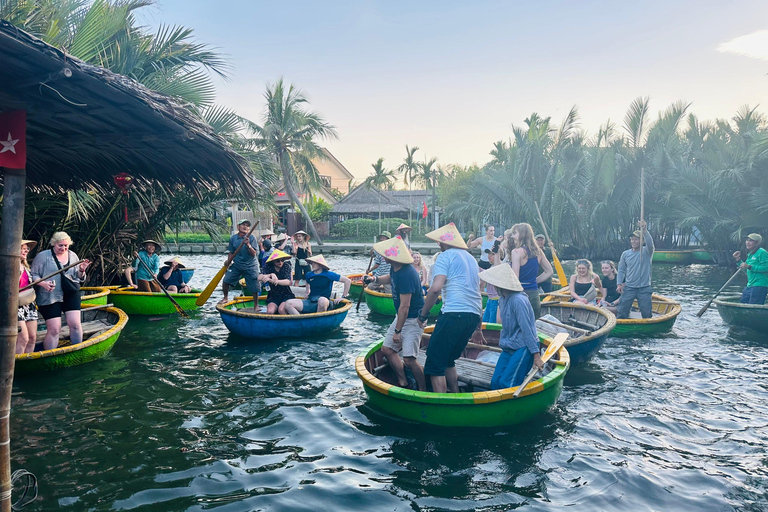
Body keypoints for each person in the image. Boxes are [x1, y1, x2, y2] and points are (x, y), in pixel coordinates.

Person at [418, 223, 483, 393]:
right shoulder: (471, 259)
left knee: (434, 362)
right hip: (473, 315)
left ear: (441, 244)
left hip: (455, 314)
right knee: (448, 360)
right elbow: (477, 292)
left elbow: (435, 288)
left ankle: (441, 404)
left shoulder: (445, 257)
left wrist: (423, 315)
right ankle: (455, 395)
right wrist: (479, 328)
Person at [364, 236, 426, 391]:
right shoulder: (395, 267)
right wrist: (375, 278)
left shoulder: (407, 274)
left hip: (413, 319)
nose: (383, 257)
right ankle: (403, 381)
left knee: (409, 360)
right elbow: (390, 278)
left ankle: (423, 389)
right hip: (402, 317)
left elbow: (405, 307)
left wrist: (398, 331)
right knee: (387, 350)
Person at [476, 264, 544, 390]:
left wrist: (536, 355)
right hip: (508, 345)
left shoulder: (518, 300)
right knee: (495, 382)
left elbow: (527, 329)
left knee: (507, 384)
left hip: (523, 347)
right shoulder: (502, 299)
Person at [31, 232, 91, 350]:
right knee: (54, 329)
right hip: (49, 295)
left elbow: (78, 277)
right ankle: (49, 353)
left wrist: (82, 270)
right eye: (60, 245)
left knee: (75, 324)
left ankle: (77, 350)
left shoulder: (73, 255)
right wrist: (43, 283)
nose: (63, 248)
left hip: (70, 293)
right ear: (54, 244)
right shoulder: (43, 256)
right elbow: (33, 274)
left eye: (66, 245)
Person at [507, 223, 553, 318]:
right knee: (533, 325)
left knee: (517, 327)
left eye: (515, 233)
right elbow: (549, 271)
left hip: (520, 294)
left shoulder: (516, 252)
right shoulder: (538, 251)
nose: (512, 236)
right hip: (534, 294)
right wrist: (534, 281)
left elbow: (515, 278)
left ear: (522, 235)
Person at [284, 255, 351, 314]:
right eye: (312, 263)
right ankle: (301, 321)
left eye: (315, 263)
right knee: (288, 304)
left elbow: (347, 281)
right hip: (311, 301)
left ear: (320, 264)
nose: (313, 265)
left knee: (322, 300)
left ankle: (318, 320)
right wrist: (307, 292)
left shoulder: (329, 274)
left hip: (325, 302)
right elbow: (307, 282)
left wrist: (343, 297)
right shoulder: (309, 275)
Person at [616, 221, 654, 319]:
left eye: (636, 239)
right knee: (622, 312)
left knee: (646, 314)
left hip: (644, 288)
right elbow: (621, 270)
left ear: (642, 241)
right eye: (632, 239)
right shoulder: (625, 254)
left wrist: (645, 231)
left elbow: (650, 243)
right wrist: (619, 283)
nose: (633, 241)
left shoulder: (646, 252)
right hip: (629, 287)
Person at [219, 219, 260, 305]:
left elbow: (254, 254)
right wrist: (228, 261)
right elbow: (231, 251)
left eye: (247, 225)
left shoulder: (252, 238)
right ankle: (225, 298)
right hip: (237, 264)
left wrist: (248, 245)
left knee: (255, 286)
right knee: (226, 280)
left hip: (251, 265)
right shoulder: (233, 238)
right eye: (243, 224)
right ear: (238, 227)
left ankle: (256, 305)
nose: (245, 227)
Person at [17, 239, 39, 354]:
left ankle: (27, 361)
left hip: (29, 303)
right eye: (23, 248)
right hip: (15, 306)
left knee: (32, 338)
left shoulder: (25, 266)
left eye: (27, 249)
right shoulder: (9, 267)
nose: (26, 251)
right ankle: (15, 365)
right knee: (23, 338)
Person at [733, 233, 768, 304]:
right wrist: (738, 260)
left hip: (759, 285)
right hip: (750, 285)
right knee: (743, 303)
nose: (747, 242)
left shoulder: (762, 252)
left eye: (751, 241)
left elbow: (766, 268)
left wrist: (749, 266)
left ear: (757, 243)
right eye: (747, 240)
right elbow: (746, 270)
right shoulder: (750, 255)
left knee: (754, 305)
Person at [258, 249, 295, 314]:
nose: (280, 262)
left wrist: (275, 281)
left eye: (282, 260)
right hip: (273, 296)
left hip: (286, 295)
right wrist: (271, 275)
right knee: (269, 312)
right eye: (278, 261)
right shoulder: (268, 267)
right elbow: (258, 277)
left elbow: (288, 282)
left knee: (281, 310)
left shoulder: (286, 266)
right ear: (273, 261)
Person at [480, 244, 501, 323]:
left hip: (496, 300)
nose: (489, 256)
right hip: (490, 299)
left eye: (492, 254)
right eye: (489, 254)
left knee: (492, 323)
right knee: (485, 321)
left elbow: (488, 275)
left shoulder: (500, 266)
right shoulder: (491, 267)